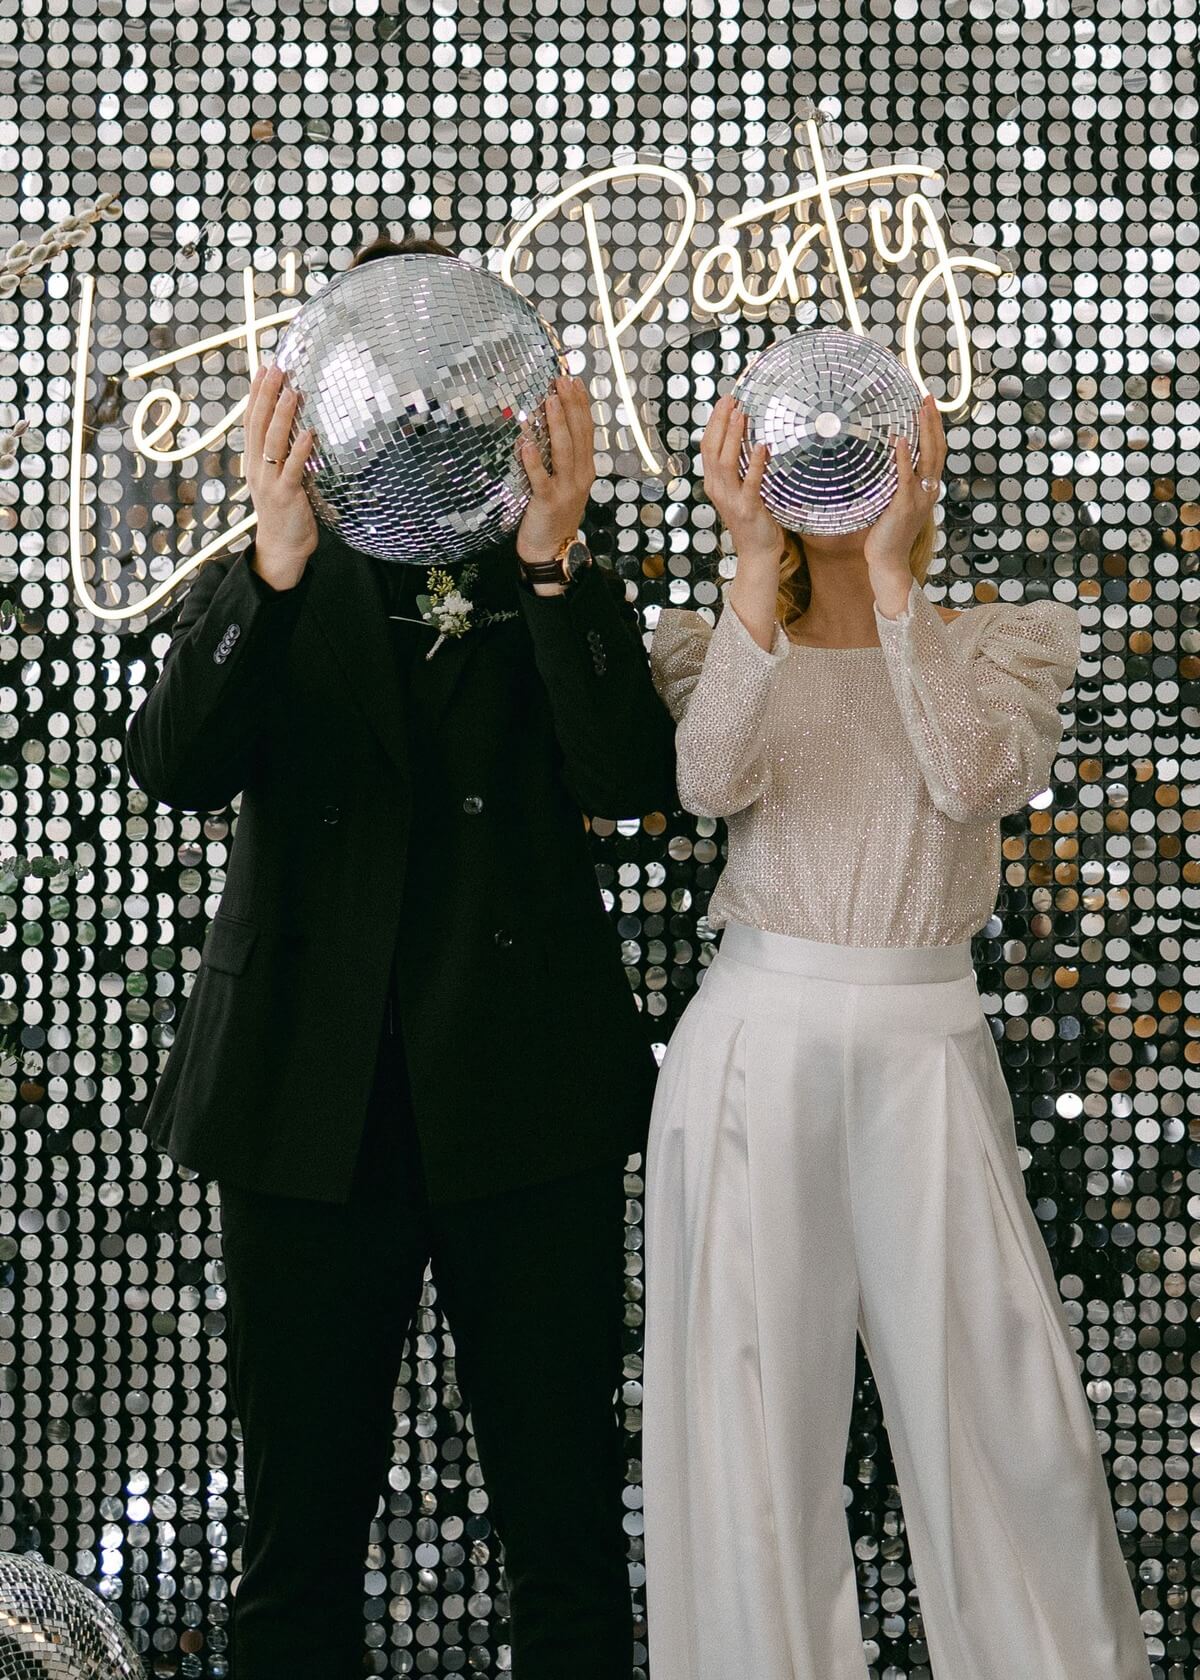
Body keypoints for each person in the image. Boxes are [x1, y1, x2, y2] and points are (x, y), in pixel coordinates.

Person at [124, 230, 678, 1680]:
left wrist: (557, 569)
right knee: (294, 1548)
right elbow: (174, 763)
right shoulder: (275, 561)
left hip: (525, 1100)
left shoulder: (536, 553)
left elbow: (631, 772)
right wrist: (270, 562)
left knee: (565, 1533)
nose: (416, 391)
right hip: (310, 1100)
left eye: (455, 359)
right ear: (321, 381)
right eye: (382, 358)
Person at [641, 387, 1152, 1679]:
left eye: (858, 446)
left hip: (927, 1040)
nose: (830, 470)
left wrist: (896, 584)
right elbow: (707, 785)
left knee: (1004, 1413)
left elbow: (983, 779)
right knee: (755, 1428)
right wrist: (755, 563)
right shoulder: (722, 636)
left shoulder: (992, 644)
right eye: (795, 448)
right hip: (755, 1039)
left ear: (912, 457)